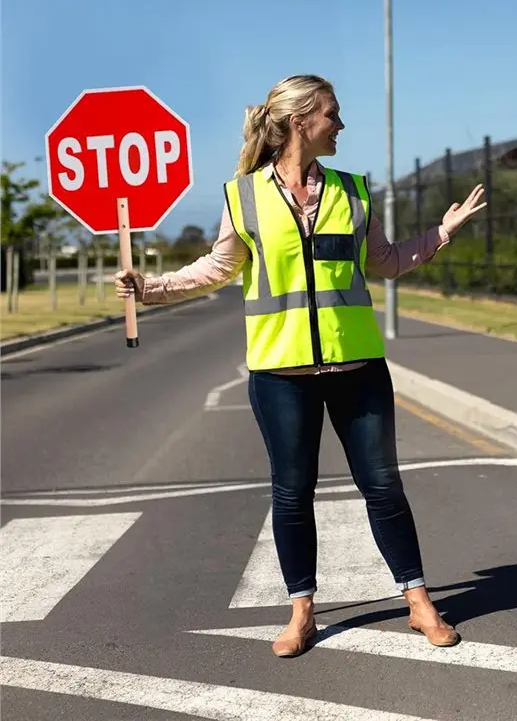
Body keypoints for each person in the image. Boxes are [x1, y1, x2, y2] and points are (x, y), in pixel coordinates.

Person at [115, 74, 487, 656]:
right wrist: (150, 288)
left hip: (356, 365)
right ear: (300, 121)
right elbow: (216, 269)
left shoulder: (354, 190)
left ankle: (419, 604)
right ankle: (301, 613)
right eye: (333, 115)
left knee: (383, 485)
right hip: (280, 374)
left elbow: (385, 264)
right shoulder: (243, 196)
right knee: (293, 493)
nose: (341, 125)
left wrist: (441, 233)